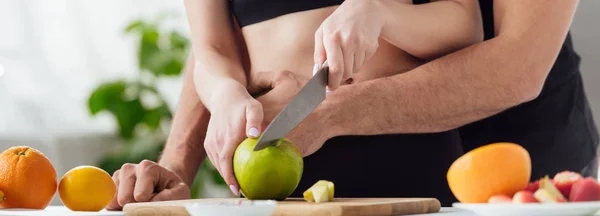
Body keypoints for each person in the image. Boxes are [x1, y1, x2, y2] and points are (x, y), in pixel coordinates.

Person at [106, 0, 598, 210]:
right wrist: (176, 165)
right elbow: (218, 41)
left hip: (512, 160)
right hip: (316, 178)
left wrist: (328, 112)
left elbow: (518, 65)